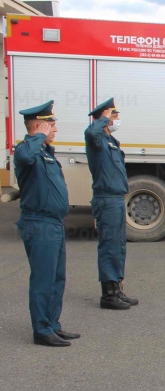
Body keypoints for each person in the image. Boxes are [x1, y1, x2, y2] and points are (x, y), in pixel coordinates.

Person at [14, 101, 80, 347]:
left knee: (56, 278)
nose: (55, 130)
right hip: (38, 223)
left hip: (53, 223)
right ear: (39, 125)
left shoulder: (45, 153)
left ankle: (53, 325)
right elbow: (24, 156)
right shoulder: (26, 151)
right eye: (51, 125)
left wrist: (42, 139)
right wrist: (37, 136)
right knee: (43, 279)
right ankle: (41, 330)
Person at [85, 98, 138, 310]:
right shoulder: (96, 140)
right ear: (104, 119)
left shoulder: (111, 142)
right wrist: (103, 119)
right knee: (109, 247)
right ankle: (107, 295)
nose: (117, 120)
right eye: (113, 116)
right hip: (106, 199)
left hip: (116, 198)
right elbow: (90, 132)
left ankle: (116, 289)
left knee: (118, 246)